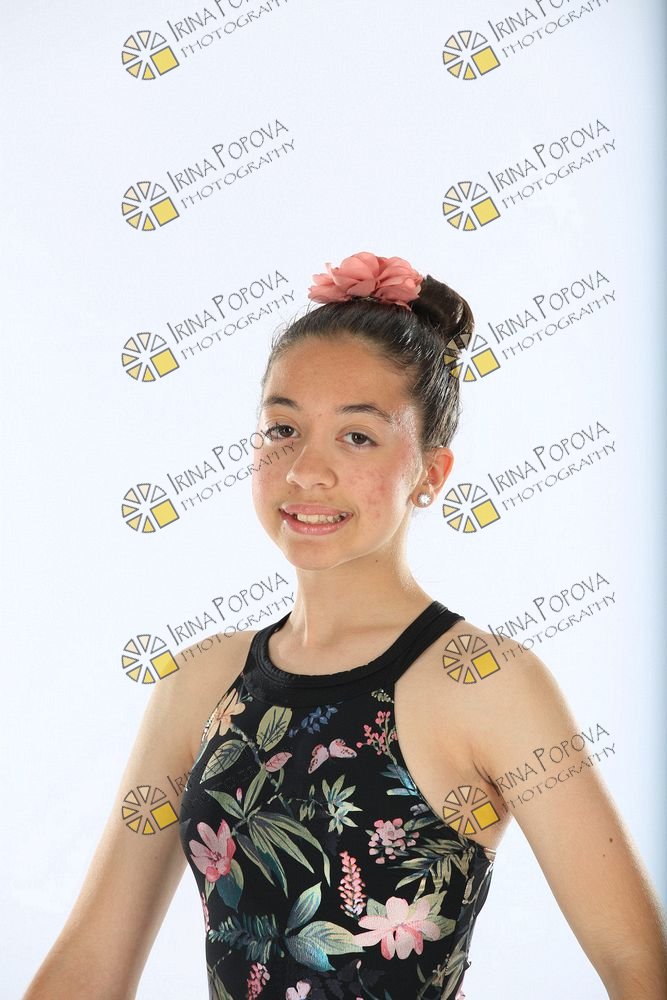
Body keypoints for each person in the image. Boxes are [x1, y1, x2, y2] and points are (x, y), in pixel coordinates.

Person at [23, 252, 667, 1000]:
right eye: (282, 429)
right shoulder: (200, 681)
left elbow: (637, 963)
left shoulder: (485, 682)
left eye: (357, 436)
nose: (306, 470)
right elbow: (92, 961)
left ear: (430, 473)